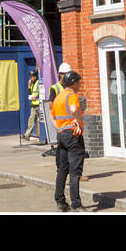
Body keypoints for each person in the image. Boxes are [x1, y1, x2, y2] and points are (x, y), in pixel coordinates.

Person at [52, 71, 87, 213]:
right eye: (79, 82)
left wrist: (60, 128)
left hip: (61, 134)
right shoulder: (72, 95)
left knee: (63, 168)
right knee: (75, 170)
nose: (80, 84)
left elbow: (51, 116)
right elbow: (73, 110)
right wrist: (79, 123)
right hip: (73, 134)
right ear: (73, 83)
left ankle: (60, 201)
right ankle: (76, 205)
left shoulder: (59, 97)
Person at [42, 61, 72, 158]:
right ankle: (61, 166)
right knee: (62, 146)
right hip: (61, 121)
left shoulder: (71, 86)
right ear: (60, 74)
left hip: (71, 120)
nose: (66, 76)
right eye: (64, 74)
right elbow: (51, 105)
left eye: (68, 73)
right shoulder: (55, 88)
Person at [23, 70, 43, 142]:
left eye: (31, 77)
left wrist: (36, 97)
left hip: (39, 105)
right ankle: (27, 135)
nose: (30, 78)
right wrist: (29, 86)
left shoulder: (38, 83)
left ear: (35, 76)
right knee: (31, 120)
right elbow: (30, 93)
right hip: (33, 105)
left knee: (40, 121)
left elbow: (41, 92)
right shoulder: (32, 83)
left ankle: (44, 137)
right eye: (30, 77)